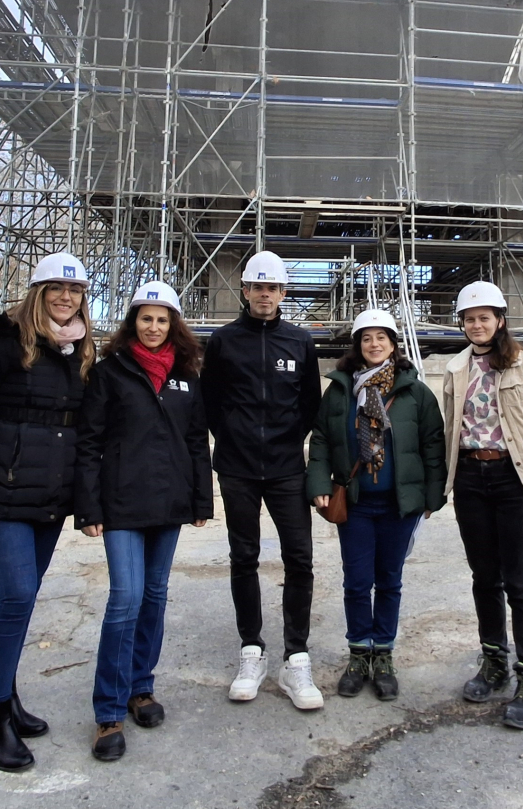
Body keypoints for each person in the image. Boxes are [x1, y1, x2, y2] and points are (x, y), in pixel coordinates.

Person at [0, 252, 96, 771]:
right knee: (14, 596)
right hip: (5, 492)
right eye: (54, 288)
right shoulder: (2, 344)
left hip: (52, 495)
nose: (64, 297)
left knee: (25, 598)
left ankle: (7, 699)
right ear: (36, 293)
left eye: (73, 291)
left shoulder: (81, 352)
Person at [75, 281, 213, 762]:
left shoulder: (186, 375)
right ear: (132, 322)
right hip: (121, 505)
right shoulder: (110, 372)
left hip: (170, 502)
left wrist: (201, 499)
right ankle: (109, 711)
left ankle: (141, 689)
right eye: (145, 318)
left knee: (155, 596)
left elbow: (197, 441)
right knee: (125, 600)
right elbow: (88, 441)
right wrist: (88, 507)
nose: (153, 327)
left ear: (174, 324)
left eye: (162, 319)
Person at [200, 250, 324, 709]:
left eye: (273, 287)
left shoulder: (300, 341)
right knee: (243, 556)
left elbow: (309, 402)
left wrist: (287, 441)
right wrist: (233, 438)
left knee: (300, 558)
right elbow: (210, 402)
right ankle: (251, 649)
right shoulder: (224, 341)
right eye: (257, 287)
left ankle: (296, 656)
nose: (265, 295)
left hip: (288, 468)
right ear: (246, 291)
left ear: (283, 292)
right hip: (237, 469)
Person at [307, 309, 446, 701]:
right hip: (355, 503)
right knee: (356, 582)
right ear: (357, 346)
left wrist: (433, 495)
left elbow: (433, 443)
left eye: (381, 337)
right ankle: (358, 655)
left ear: (393, 344)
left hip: (398, 505)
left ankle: (382, 655)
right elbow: (321, 439)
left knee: (389, 580)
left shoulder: (414, 391)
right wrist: (318, 482)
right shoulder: (339, 390)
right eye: (366, 338)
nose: (373, 344)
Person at [441, 281, 523, 730]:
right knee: (484, 578)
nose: (477, 325)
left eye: (484, 317)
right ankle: (494, 663)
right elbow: (454, 427)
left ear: (500, 320)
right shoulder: (456, 370)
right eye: (470, 319)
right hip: (470, 479)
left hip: (514, 480)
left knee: (521, 582)